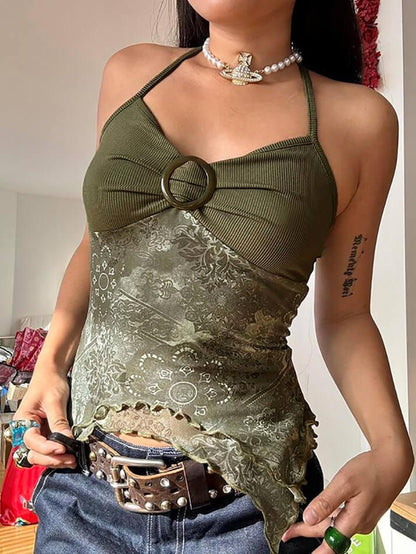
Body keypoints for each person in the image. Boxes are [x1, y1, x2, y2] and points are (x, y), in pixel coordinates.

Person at [9, 1, 414, 553]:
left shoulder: (360, 121)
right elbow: (96, 244)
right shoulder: (130, 73)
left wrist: (392, 447)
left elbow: (345, 314)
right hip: (85, 490)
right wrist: (50, 364)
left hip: (249, 510)